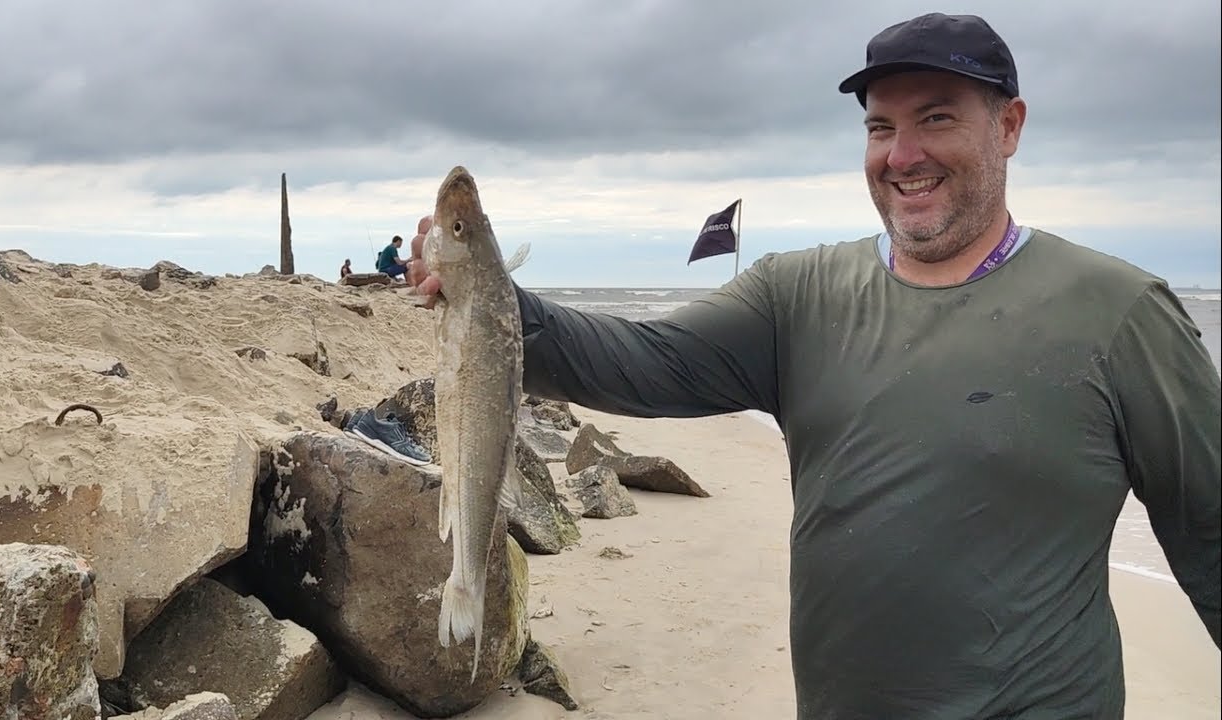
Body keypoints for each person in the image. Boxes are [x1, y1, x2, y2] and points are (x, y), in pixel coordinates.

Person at [410, 12, 1220, 718]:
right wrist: (489, 299)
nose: (902, 155)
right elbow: (634, 365)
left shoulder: (1120, 313)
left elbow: (1212, 533)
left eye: (936, 119)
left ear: (1008, 126)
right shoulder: (799, 296)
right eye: (879, 128)